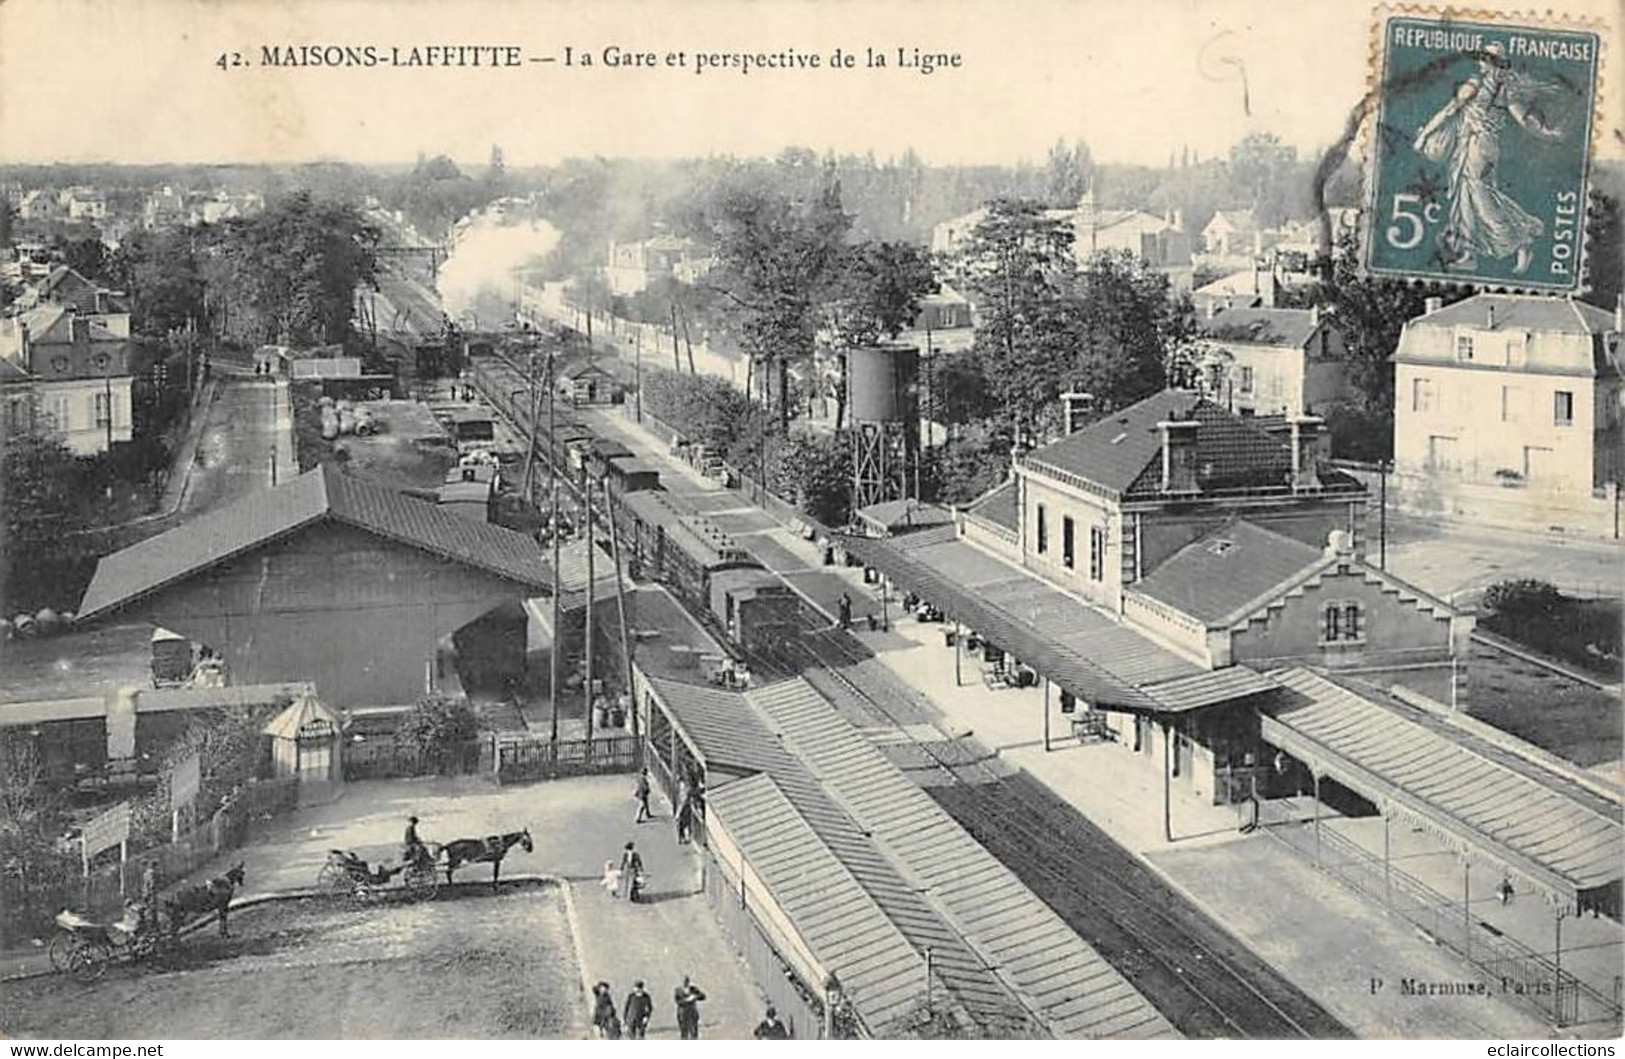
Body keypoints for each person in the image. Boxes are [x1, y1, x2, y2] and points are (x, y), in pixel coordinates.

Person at [1412, 40, 1566, 275]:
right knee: (1475, 198)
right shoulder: (1506, 90)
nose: (1482, 62)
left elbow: (1449, 110)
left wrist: (1424, 135)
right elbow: (1524, 120)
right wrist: (1548, 134)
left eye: (1485, 58)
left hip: (1475, 146)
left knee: (1477, 199)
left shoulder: (1475, 83)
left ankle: (1522, 238)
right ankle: (1471, 255)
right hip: (1490, 149)